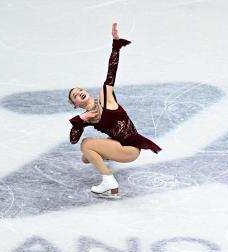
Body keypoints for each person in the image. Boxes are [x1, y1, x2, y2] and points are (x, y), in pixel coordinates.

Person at [67, 23, 161, 198]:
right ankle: (108, 177)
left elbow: (111, 71)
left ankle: (109, 182)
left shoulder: (105, 98)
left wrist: (115, 45)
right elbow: (72, 139)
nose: (78, 92)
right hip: (121, 146)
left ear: (85, 92)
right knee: (85, 157)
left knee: (86, 145)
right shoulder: (86, 117)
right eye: (75, 95)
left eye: (79, 89)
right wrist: (81, 119)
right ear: (76, 104)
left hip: (131, 148)